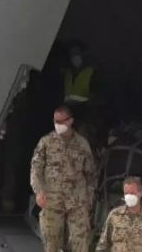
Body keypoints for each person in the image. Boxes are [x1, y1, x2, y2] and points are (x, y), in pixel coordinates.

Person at [30, 106, 96, 252]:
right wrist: (39, 191)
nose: (57, 124)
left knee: (80, 243)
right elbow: (36, 169)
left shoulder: (82, 144)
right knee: (51, 242)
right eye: (55, 121)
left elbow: (91, 175)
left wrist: (88, 200)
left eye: (61, 121)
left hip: (77, 202)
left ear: (70, 121)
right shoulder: (46, 142)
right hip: (52, 201)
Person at [96, 176, 142, 252]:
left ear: (141, 193)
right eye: (126, 193)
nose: (128, 196)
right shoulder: (114, 215)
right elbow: (103, 246)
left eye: (132, 193)